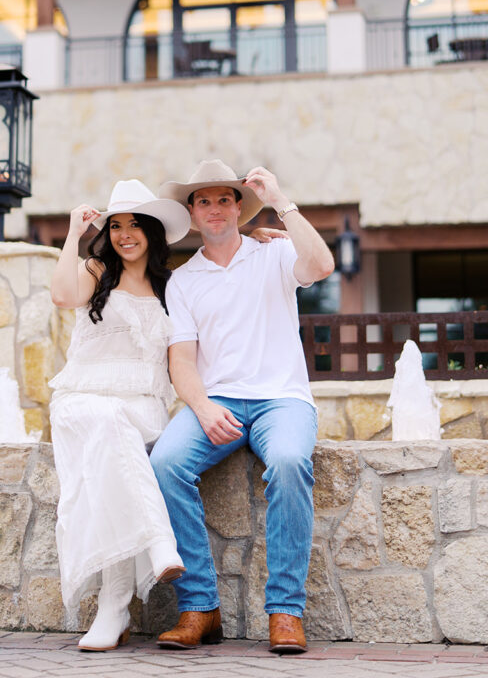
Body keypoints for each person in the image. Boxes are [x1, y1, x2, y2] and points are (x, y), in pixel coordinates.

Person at [150, 159, 335, 654]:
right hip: (219, 401)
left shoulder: (274, 253)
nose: (214, 208)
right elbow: (182, 363)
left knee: (291, 461)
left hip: (282, 399)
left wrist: (282, 203)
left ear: (239, 208)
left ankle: (285, 612)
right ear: (192, 214)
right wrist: (204, 408)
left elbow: (321, 266)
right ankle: (199, 607)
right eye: (203, 200)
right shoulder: (182, 281)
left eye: (224, 199)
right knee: (165, 463)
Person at [49, 179, 191, 652]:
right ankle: (156, 545)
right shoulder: (94, 270)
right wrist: (73, 233)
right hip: (82, 401)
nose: (124, 234)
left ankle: (114, 609)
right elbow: (63, 296)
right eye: (115, 226)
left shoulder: (172, 286)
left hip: (145, 406)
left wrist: (257, 240)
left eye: (133, 225)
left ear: (151, 231)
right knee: (110, 426)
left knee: (117, 435)